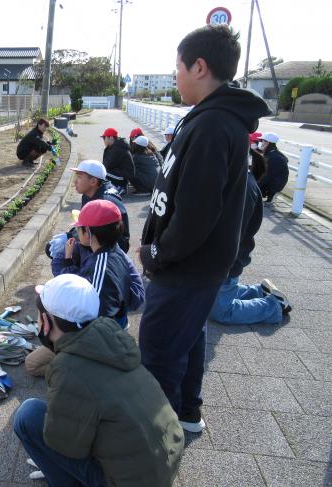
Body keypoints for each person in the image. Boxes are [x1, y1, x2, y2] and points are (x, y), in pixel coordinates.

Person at [138, 25, 271, 433]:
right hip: (194, 268)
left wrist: (157, 253)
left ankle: (150, 449)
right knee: (189, 338)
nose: (175, 76)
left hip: (185, 268)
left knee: (158, 352)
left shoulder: (215, 125)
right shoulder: (212, 119)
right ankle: (186, 413)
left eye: (177, 67)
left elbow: (197, 213)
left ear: (199, 66)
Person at [14, 274, 184, 487]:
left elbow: (64, 445)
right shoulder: (113, 339)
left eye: (39, 316)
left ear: (46, 322)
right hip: (163, 463)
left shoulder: (69, 367)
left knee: (28, 415)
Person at [30, 199, 144, 377]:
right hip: (117, 321)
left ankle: (89, 370)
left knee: (32, 364)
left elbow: (94, 320)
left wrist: (63, 336)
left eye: (79, 229)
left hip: (102, 338)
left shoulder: (100, 266)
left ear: (89, 232)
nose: (75, 234)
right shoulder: (115, 252)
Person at [209, 173, 292, 325]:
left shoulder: (241, 188)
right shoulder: (237, 178)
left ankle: (274, 305)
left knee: (221, 311)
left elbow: (231, 237)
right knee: (204, 298)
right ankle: (258, 291)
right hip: (218, 261)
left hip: (226, 264)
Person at [256, 132, 289, 203]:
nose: (260, 142)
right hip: (274, 180)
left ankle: (271, 196)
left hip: (275, 184)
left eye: (262, 141)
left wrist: (255, 187)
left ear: (268, 143)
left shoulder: (274, 157)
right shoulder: (272, 153)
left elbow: (267, 175)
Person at [101, 128, 134, 193]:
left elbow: (106, 165)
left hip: (123, 176)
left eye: (104, 138)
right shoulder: (116, 146)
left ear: (110, 137)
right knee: (100, 172)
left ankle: (120, 187)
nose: (103, 140)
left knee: (100, 172)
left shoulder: (117, 148)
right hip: (121, 174)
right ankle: (114, 186)